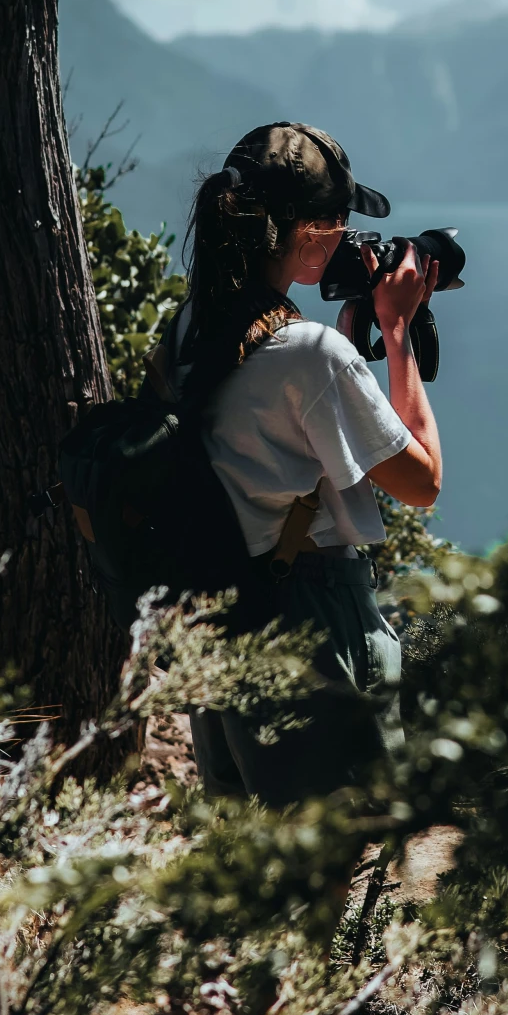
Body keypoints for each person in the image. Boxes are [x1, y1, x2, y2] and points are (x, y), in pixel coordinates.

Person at [173, 118, 443, 804]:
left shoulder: (188, 332)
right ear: (311, 232)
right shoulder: (312, 354)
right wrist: (397, 328)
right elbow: (423, 482)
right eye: (342, 222)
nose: (351, 237)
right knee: (351, 871)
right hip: (316, 619)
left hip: (225, 628)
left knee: (264, 875)